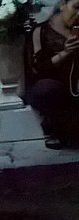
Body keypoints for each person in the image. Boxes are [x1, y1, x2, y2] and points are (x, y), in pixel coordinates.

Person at [28, 0, 79, 148]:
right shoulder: (41, 31)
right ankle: (54, 131)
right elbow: (37, 69)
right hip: (56, 91)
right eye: (76, 7)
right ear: (63, 4)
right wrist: (65, 53)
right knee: (46, 89)